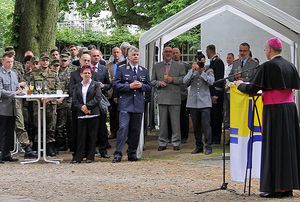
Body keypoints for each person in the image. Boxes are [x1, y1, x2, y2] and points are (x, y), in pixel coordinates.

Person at [235, 37, 300, 198]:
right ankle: (287, 187)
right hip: (290, 110)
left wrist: (239, 85)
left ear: (270, 50)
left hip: (275, 111)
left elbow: (253, 88)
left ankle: (276, 188)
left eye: (265, 49)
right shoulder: (290, 65)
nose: (265, 52)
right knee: (287, 147)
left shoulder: (268, 66)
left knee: (275, 146)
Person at [112, 46, 151, 163]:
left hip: (138, 104)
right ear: (128, 56)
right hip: (125, 103)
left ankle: (132, 152)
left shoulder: (143, 70)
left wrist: (141, 86)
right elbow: (115, 84)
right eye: (133, 55)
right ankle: (118, 153)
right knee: (123, 128)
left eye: (137, 55)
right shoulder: (121, 68)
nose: (136, 57)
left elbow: (149, 87)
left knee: (135, 129)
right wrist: (128, 86)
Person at [151, 46, 186, 151]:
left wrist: (172, 79)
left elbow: (183, 79)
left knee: (175, 123)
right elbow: (152, 81)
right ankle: (162, 142)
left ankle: (176, 143)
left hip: (175, 98)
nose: (168, 53)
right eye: (166, 51)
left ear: (172, 53)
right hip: (162, 97)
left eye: (170, 52)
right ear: (162, 53)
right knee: (163, 123)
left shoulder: (180, 66)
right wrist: (158, 83)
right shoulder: (157, 66)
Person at [71, 65, 101, 163]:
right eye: (85, 73)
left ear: (91, 74)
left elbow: (97, 98)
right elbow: (75, 100)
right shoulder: (77, 86)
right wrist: (82, 107)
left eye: (89, 73)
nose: (87, 74)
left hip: (93, 113)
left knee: (92, 136)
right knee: (81, 136)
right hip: (81, 113)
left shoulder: (96, 84)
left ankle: (90, 157)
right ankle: (78, 157)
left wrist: (88, 106)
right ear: (81, 74)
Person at [184, 60, 214, 155]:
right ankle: (199, 146)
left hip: (205, 103)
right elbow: (185, 81)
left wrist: (202, 72)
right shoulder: (191, 70)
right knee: (196, 126)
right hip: (193, 103)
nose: (199, 64)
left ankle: (208, 146)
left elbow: (211, 82)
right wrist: (192, 70)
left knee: (206, 126)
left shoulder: (209, 70)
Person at [0, 52, 21, 162]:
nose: (10, 64)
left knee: (9, 132)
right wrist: (14, 93)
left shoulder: (14, 73)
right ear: (3, 61)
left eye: (11, 62)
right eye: (7, 62)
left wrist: (21, 91)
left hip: (13, 108)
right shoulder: (0, 74)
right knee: (2, 132)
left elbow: (17, 87)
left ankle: (6, 154)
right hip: (2, 108)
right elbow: (1, 91)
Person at [90, 49, 111, 158]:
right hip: (89, 101)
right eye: (94, 56)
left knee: (102, 127)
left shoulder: (103, 69)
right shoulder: (86, 69)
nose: (96, 57)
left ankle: (103, 150)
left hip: (101, 100)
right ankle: (91, 150)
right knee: (91, 127)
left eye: (98, 56)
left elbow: (109, 85)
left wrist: (103, 86)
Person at [206, 45, 224, 145]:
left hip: (216, 94)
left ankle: (216, 138)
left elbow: (218, 79)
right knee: (212, 116)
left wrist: (216, 94)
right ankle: (213, 137)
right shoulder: (213, 62)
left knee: (217, 116)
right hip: (211, 93)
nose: (206, 53)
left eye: (207, 51)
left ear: (210, 51)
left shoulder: (218, 62)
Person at [172, 47, 190, 143]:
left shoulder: (186, 66)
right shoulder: (169, 65)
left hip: (183, 94)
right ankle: (173, 135)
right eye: (173, 53)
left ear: (180, 54)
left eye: (177, 53)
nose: (175, 54)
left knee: (184, 116)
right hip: (172, 95)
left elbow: (190, 78)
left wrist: (185, 85)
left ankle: (184, 136)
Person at [223, 53, 234, 143]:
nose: (228, 59)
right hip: (225, 90)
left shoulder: (234, 67)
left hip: (231, 91)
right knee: (226, 109)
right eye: (227, 58)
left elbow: (233, 79)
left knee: (231, 109)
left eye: (230, 58)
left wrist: (229, 86)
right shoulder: (225, 67)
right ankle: (226, 125)